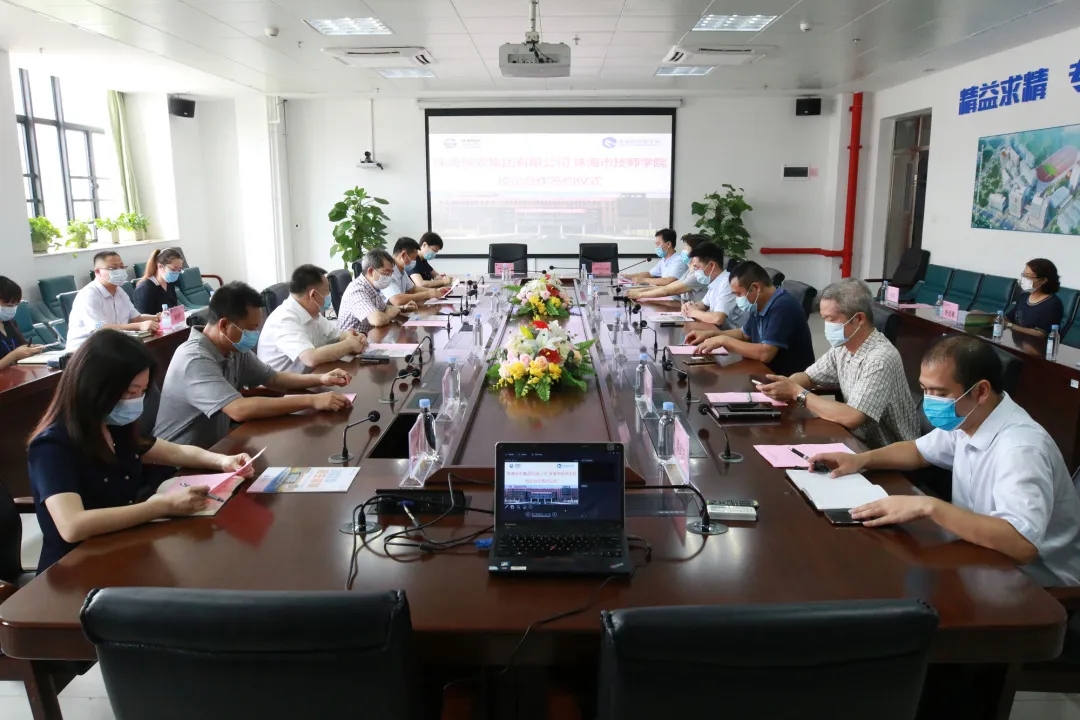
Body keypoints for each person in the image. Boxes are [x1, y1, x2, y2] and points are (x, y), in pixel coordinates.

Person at [810, 335, 1080, 587]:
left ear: (981, 391)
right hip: (980, 553)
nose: (930, 401)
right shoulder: (970, 417)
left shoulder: (1022, 449)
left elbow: (1021, 544)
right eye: (925, 390)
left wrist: (929, 507)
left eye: (939, 393)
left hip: (1037, 581)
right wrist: (860, 460)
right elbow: (918, 451)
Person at [27, 330, 255, 572]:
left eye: (142, 392)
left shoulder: (114, 426)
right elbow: (73, 526)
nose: (136, 400)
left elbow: (175, 452)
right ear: (95, 388)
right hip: (75, 567)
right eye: (130, 392)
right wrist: (161, 506)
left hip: (122, 546)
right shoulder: (51, 446)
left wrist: (222, 461)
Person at [154, 281, 353, 449]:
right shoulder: (194, 358)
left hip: (215, 450)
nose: (254, 335)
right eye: (250, 329)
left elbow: (273, 378)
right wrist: (313, 400)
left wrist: (321, 379)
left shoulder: (233, 348)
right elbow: (239, 409)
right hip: (177, 465)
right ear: (224, 325)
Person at [759, 278, 919, 449]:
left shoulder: (880, 358)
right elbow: (808, 376)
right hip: (855, 440)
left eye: (831, 319)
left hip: (888, 452)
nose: (826, 326)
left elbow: (853, 417)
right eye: (824, 319)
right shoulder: (844, 346)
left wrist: (797, 393)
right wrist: (786, 385)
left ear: (859, 319)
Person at [687, 261, 815, 376]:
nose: (737, 299)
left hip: (786, 380)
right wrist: (711, 335)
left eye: (738, 294)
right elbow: (744, 334)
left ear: (756, 288)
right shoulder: (760, 303)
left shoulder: (783, 306)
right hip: (762, 372)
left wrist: (724, 340)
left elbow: (765, 354)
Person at [257, 264, 369, 373]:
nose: (329, 295)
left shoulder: (312, 313)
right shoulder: (284, 320)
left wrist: (354, 337)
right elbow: (310, 358)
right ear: (313, 295)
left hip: (312, 376)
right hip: (284, 385)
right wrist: (349, 345)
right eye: (327, 291)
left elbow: (338, 336)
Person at [67, 251, 160, 350]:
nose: (120, 271)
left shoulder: (119, 291)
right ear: (98, 272)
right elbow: (100, 329)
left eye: (122, 267)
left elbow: (136, 318)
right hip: (85, 350)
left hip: (111, 345)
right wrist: (139, 326)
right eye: (113, 268)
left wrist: (157, 317)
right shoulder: (89, 295)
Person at [679, 241, 747, 330]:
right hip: (719, 331)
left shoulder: (727, 282)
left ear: (712, 265)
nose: (695, 272)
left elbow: (718, 319)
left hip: (733, 334)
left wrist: (693, 312)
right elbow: (703, 304)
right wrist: (688, 307)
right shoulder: (715, 282)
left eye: (697, 267)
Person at [627, 234, 711, 303]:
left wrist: (639, 295)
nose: (683, 251)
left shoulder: (698, 275)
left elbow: (667, 290)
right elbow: (667, 287)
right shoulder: (690, 271)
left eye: (686, 248)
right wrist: (639, 290)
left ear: (696, 252)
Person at [339, 249, 406, 334]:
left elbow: (385, 308)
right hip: (352, 340)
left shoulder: (373, 287)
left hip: (368, 336)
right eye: (386, 272)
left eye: (391, 273)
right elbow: (377, 320)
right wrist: (390, 315)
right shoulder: (356, 290)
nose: (389, 277)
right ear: (370, 271)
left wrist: (404, 308)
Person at [384, 237, 451, 307]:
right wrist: (428, 294)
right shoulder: (387, 272)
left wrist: (435, 291)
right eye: (414, 258)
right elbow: (397, 300)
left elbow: (413, 289)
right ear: (403, 255)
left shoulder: (401, 270)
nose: (415, 262)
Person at [1006, 258, 1065, 337]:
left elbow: (1041, 334)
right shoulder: (1024, 297)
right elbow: (1009, 318)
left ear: (1043, 280)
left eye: (1028, 276)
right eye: (1023, 275)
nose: (1023, 279)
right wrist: (995, 319)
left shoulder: (1053, 304)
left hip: (1035, 344)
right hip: (1016, 341)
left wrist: (1010, 325)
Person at [0, 276, 45, 368]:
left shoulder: (9, 323)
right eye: (8, 305)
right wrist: (14, 356)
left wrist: (30, 350)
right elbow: (15, 354)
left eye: (15, 305)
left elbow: (21, 346)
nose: (12, 309)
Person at [620, 229, 688, 286]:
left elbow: (668, 281)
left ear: (668, 244)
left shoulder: (679, 260)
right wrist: (629, 276)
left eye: (658, 244)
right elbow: (650, 274)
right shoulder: (664, 260)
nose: (656, 247)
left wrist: (643, 280)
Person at [132, 247, 183, 315]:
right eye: (173, 269)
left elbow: (173, 308)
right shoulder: (144, 288)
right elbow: (142, 318)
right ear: (160, 266)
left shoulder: (170, 283)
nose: (176, 273)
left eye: (179, 270)